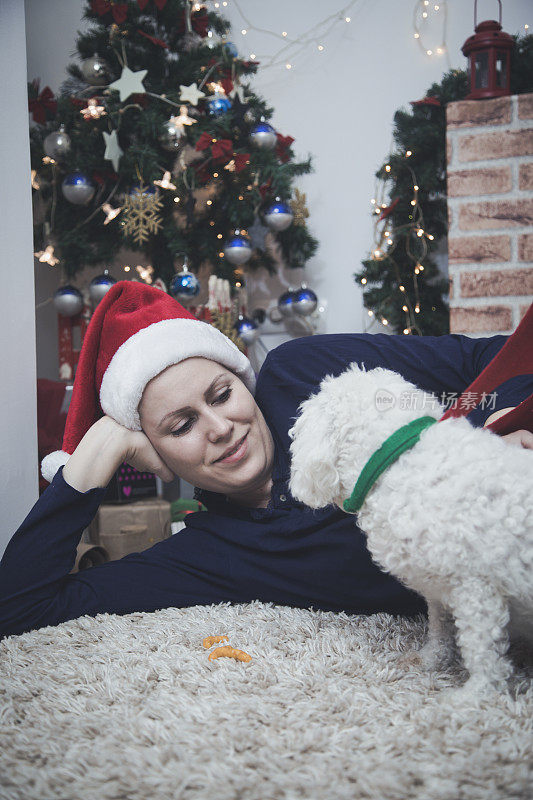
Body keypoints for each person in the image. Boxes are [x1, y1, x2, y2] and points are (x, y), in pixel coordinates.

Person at [1, 282, 532, 640]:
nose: (220, 428)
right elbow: (19, 608)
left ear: (242, 381)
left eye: (221, 394)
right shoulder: (207, 555)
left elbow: (489, 359)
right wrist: (89, 463)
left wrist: (495, 431)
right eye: (181, 426)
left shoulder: (305, 372)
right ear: (154, 453)